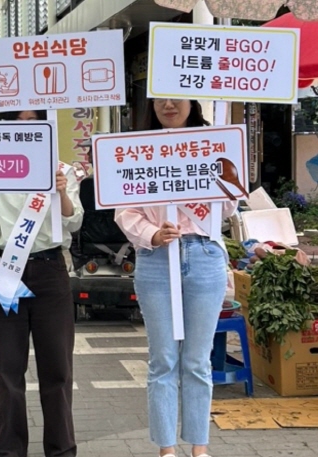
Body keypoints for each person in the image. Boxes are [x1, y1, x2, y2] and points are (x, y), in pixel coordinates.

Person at [115, 99, 238, 457]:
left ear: (192, 101)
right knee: (163, 360)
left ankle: (200, 447)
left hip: (203, 254)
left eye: (176, 96)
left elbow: (229, 206)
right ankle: (166, 449)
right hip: (156, 259)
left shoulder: (214, 144)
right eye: (160, 98)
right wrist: (152, 233)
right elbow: (124, 209)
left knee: (197, 360)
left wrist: (224, 174)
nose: (168, 104)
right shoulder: (138, 149)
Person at [0, 110, 83, 457]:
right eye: (19, 120)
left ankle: (61, 450)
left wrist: (62, 193)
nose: (27, 126)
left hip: (51, 271)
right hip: (7, 273)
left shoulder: (61, 170)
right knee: (7, 371)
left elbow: (75, 221)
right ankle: (10, 450)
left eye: (34, 119)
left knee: (58, 371)